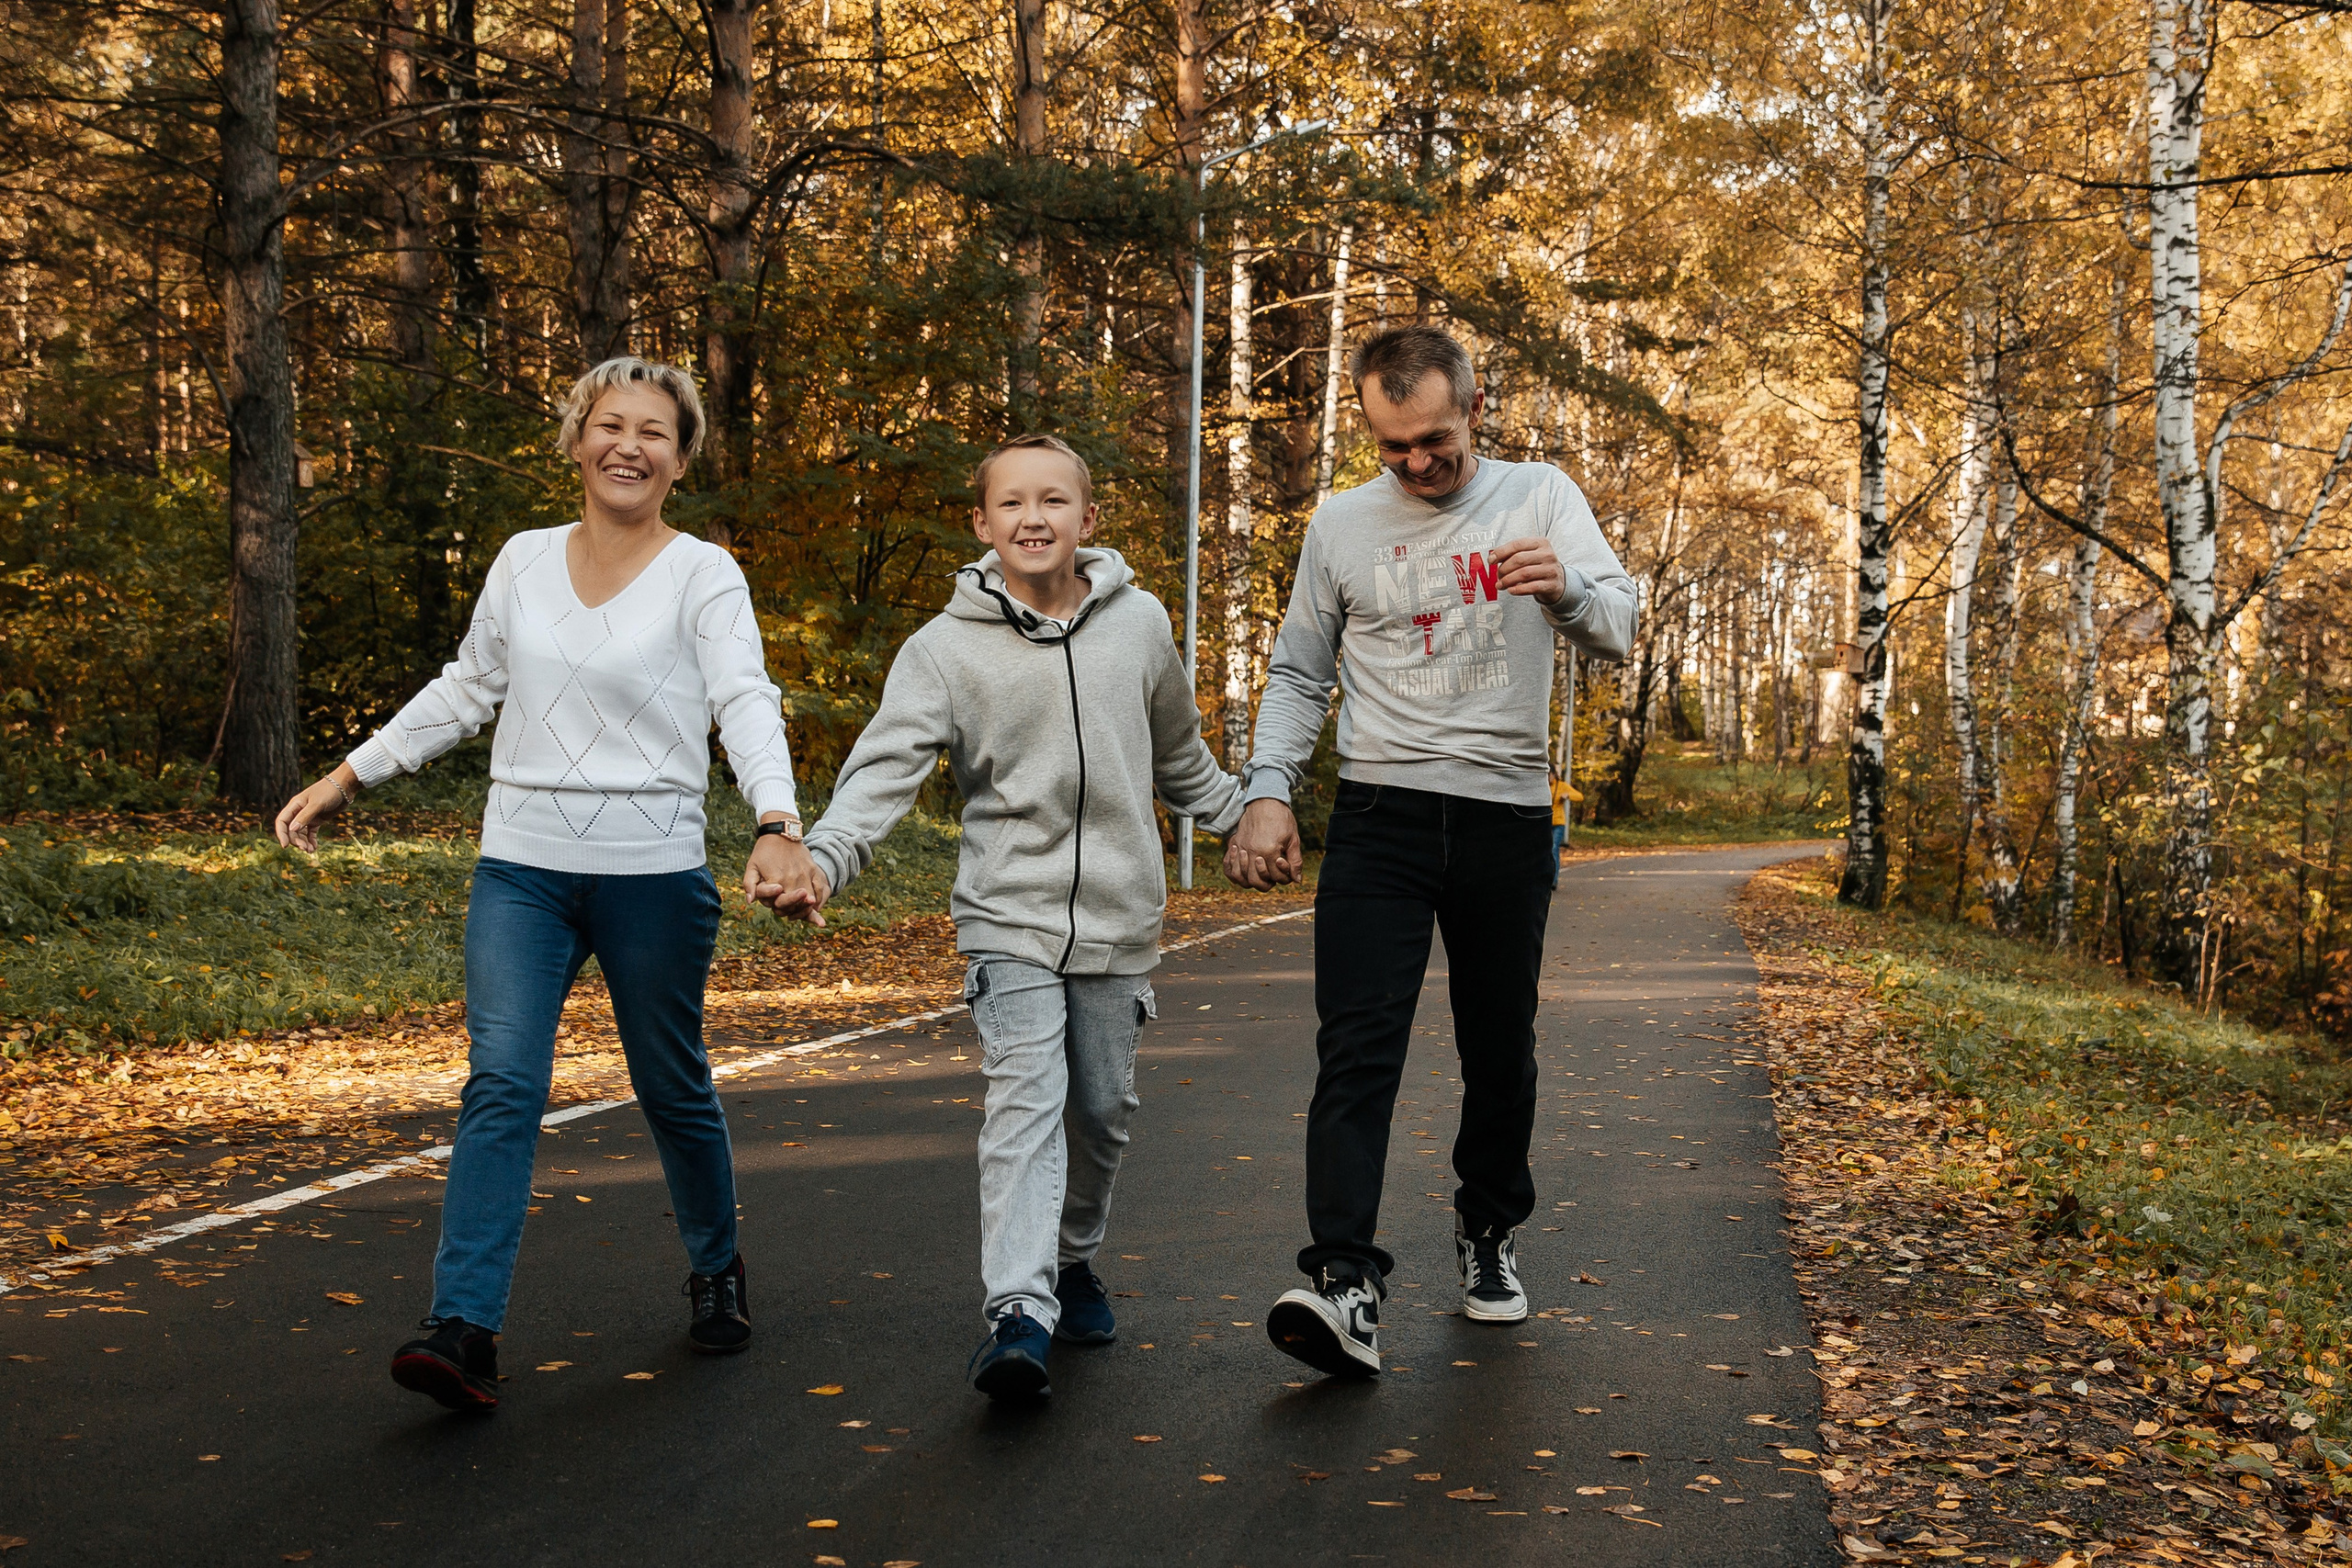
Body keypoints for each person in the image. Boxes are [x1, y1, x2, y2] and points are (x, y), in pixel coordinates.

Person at [272, 356, 827, 1412]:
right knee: (503, 1083)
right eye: (609, 424)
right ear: (575, 441)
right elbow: (468, 687)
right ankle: (463, 1326)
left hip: (652, 873)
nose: (629, 445)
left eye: (653, 432)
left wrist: (775, 821)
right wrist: (351, 775)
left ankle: (717, 1266)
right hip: (521, 866)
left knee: (670, 1084)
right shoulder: (523, 561)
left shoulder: (703, 573)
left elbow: (744, 697)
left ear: (679, 458)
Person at [1224, 325, 1636, 1378]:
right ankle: (1344, 1282)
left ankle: (1487, 1233)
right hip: (1379, 818)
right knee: (1356, 1051)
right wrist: (1267, 793)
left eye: (1434, 440)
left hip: (1502, 817)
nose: (1414, 463)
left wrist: (1569, 593)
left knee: (1499, 1049)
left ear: (1473, 408)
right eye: (1391, 444)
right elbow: (1298, 673)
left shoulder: (1541, 494)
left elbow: (1618, 627)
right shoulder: (1341, 525)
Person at [797, 434, 1243, 1402]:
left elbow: (1181, 757)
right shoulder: (944, 651)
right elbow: (881, 777)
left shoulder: (1141, 627)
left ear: (1089, 521)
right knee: (1026, 1102)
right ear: (981, 524)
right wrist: (823, 860)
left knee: (1101, 1114)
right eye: (1009, 504)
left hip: (1121, 921)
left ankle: (1072, 1259)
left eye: (1052, 502)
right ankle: (1017, 1310)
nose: (1031, 519)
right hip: (1008, 917)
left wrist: (1243, 817)